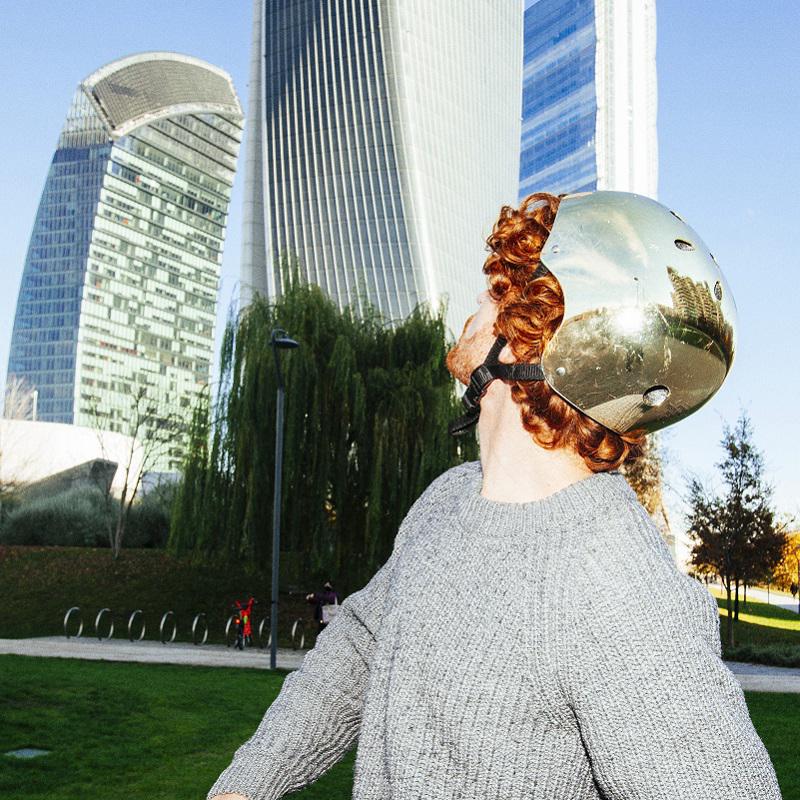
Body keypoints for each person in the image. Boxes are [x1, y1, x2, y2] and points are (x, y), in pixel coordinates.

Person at [207, 191, 782, 800]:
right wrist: (247, 785)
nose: (478, 301)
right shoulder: (446, 501)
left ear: (532, 341)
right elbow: (360, 646)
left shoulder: (609, 571)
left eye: (498, 292)